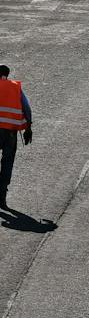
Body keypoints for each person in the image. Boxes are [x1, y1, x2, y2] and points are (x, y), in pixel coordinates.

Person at [0, 64, 31, 212]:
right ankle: (2, 195)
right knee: (7, 161)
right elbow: (26, 107)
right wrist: (28, 128)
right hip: (10, 131)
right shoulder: (14, 87)